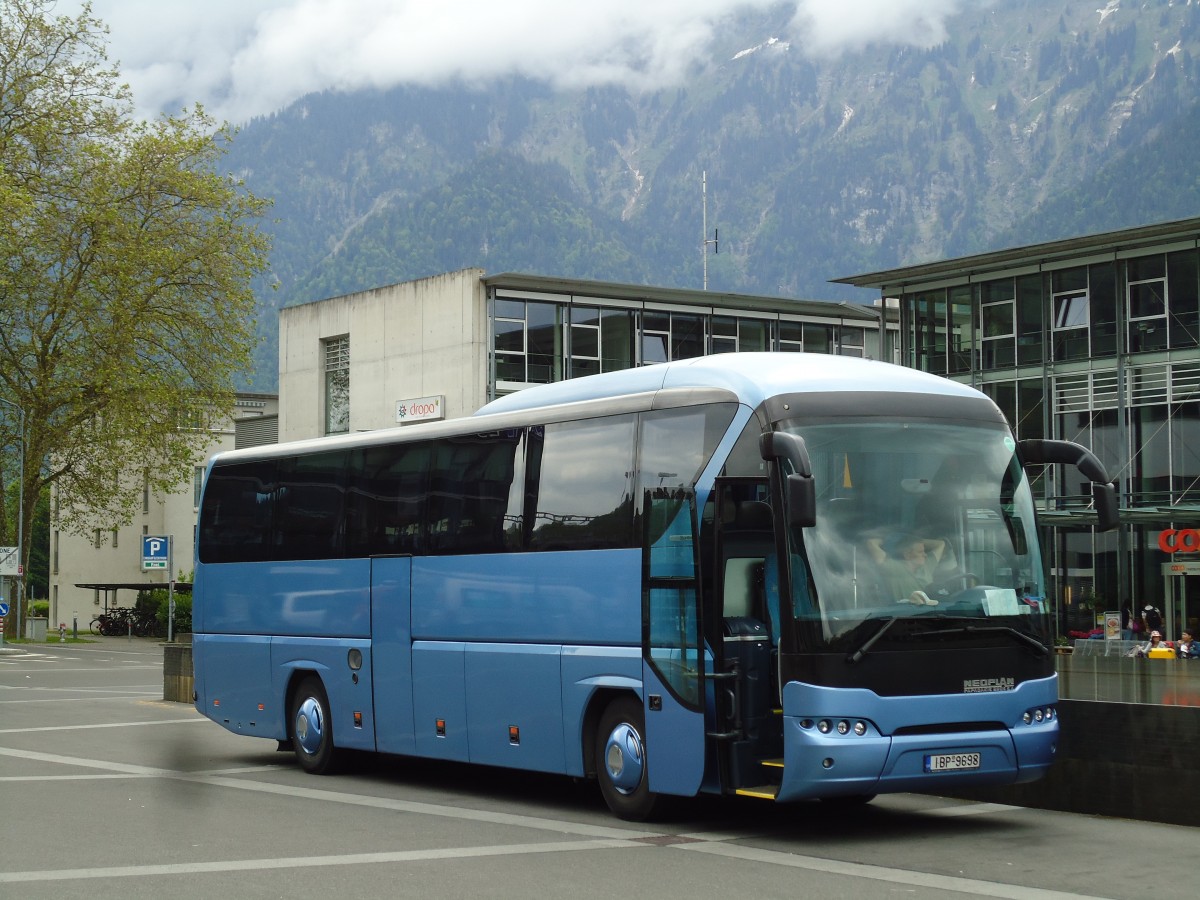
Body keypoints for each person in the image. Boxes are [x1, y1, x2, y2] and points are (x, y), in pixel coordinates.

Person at [865, 533, 946, 605]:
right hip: (906, 615)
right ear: (907, 555)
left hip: (934, 613)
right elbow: (871, 543)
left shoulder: (927, 565)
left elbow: (941, 544)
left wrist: (918, 541)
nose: (925, 555)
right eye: (920, 552)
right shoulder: (893, 567)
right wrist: (891, 539)